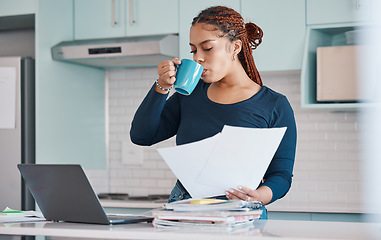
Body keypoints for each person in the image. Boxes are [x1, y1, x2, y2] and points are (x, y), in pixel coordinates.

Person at [130, 6, 297, 219]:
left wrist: (258, 196)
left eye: (207, 48)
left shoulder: (274, 105)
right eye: (193, 50)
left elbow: (281, 175)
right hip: (185, 212)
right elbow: (142, 136)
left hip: (240, 216)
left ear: (235, 47)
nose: (198, 57)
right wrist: (161, 87)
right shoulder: (189, 94)